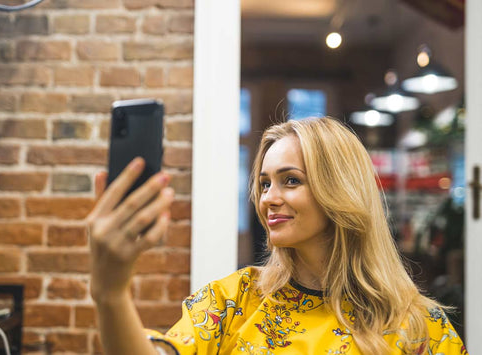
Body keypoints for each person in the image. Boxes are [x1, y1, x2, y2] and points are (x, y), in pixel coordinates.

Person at [86, 117, 467, 355]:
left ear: (340, 190)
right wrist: (110, 293)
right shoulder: (233, 302)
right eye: (264, 183)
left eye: (291, 180)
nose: (269, 197)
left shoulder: (418, 325)